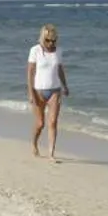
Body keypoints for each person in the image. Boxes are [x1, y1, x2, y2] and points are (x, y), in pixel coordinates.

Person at [26, 24, 71, 159]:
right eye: (48, 40)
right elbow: (30, 73)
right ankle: (34, 143)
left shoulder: (58, 51)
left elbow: (59, 70)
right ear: (42, 38)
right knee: (40, 124)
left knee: (53, 123)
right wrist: (30, 92)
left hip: (55, 91)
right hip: (39, 91)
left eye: (53, 40)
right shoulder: (35, 50)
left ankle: (51, 153)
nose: (51, 43)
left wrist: (65, 86)